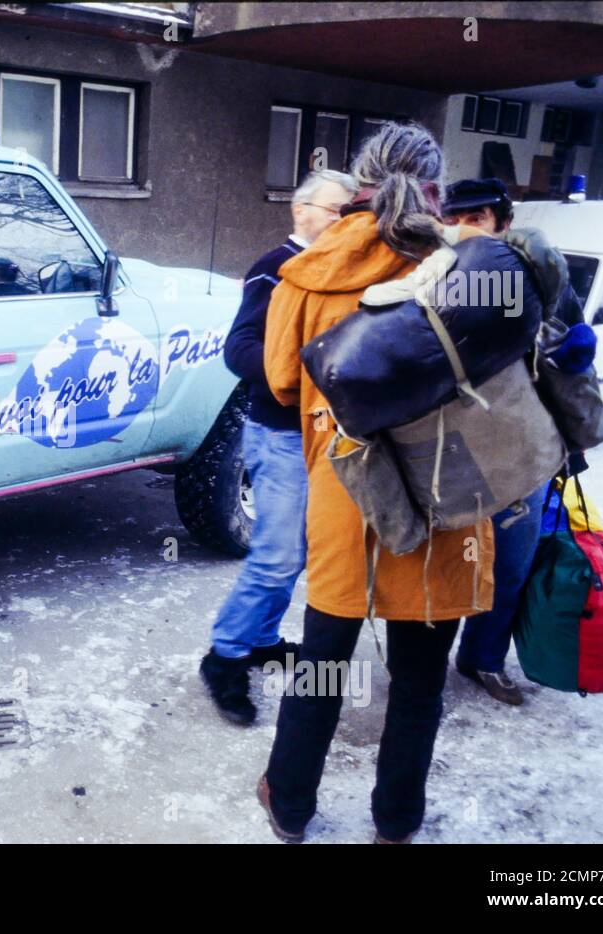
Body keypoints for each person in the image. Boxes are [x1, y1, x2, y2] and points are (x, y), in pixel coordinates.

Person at [257, 122, 496, 844]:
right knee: (420, 682)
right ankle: (396, 823)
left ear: (357, 181)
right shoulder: (466, 266)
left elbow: (277, 378)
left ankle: (291, 804)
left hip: (347, 490)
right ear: (436, 184)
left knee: (324, 664)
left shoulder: (310, 267)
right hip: (447, 493)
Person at [200, 169, 357, 726]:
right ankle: (224, 657)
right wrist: (292, 375)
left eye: (350, 212)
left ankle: (262, 638)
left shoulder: (341, 272)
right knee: (276, 554)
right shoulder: (276, 267)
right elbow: (238, 348)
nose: (345, 222)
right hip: (283, 433)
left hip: (326, 436)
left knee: (298, 550)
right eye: (336, 210)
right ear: (301, 210)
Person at [441, 178, 590, 706]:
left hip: (524, 453)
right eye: (456, 218)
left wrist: (575, 350)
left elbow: (570, 343)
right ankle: (425, 663)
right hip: (451, 450)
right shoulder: (434, 275)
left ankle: (483, 658)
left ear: (504, 223)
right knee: (445, 563)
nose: (465, 229)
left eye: (478, 218)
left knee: (510, 565)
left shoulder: (540, 275)